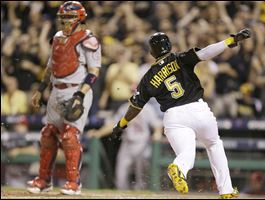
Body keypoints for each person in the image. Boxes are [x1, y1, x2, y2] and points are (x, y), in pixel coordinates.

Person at [112, 30, 251, 198]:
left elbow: (135, 106)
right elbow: (206, 52)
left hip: (174, 117)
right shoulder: (179, 58)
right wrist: (229, 41)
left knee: (186, 153)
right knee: (214, 145)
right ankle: (226, 191)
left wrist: (121, 124)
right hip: (198, 110)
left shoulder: (148, 77)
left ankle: (179, 168)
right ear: (169, 46)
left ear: (151, 52)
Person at [27, 1, 101, 195]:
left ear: (80, 17)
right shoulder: (57, 37)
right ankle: (43, 181)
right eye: (63, 17)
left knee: (69, 135)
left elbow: (94, 72)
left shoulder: (89, 39)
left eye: (69, 17)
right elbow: (50, 67)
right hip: (56, 90)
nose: (65, 20)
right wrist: (41, 88)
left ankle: (74, 183)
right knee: (48, 134)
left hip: (77, 89)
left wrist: (80, 95)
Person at [87, 103, 162, 190]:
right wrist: (99, 133)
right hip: (127, 143)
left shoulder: (148, 108)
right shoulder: (124, 108)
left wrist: (157, 133)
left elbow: (157, 124)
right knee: (120, 175)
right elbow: (113, 124)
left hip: (142, 143)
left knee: (141, 176)